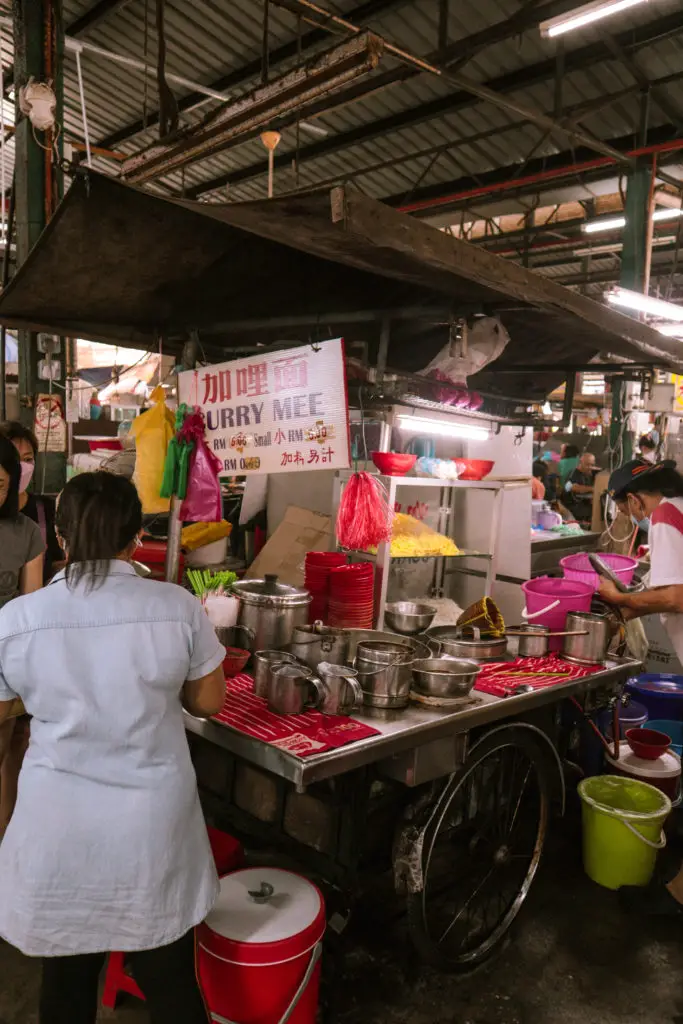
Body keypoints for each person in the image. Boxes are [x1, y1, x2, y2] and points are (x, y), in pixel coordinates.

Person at [0, 471, 226, 1023]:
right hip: (150, 826)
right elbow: (209, 702)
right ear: (134, 538)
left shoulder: (17, 621)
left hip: (61, 827)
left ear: (61, 538)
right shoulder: (177, 607)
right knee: (168, 977)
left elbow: (4, 722)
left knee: (67, 980)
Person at [598, 458, 683, 916]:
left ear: (634, 499)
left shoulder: (667, 515)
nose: (631, 519)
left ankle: (675, 903)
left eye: (626, 511)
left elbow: (676, 596)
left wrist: (622, 599)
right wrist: (630, 610)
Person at [0, 435, 45, 838]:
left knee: (9, 752)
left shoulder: (27, 533)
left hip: (4, 657)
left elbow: (29, 608)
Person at [0, 420, 63, 582]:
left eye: (28, 459)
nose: (21, 467)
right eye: (14, 459)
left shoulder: (48, 510)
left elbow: (60, 561)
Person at [564, 451, 597, 523]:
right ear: (580, 462)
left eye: (592, 465)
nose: (590, 467)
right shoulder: (573, 473)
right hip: (573, 506)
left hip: (584, 504)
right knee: (595, 512)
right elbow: (569, 487)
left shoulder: (588, 474)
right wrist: (592, 489)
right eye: (587, 465)